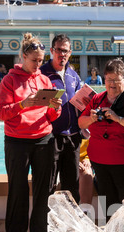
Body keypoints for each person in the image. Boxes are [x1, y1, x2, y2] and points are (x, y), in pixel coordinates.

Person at [0, 33, 62, 232]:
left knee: (45, 188)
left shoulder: (44, 80)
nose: (38, 64)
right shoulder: (9, 80)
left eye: (41, 60)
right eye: (34, 60)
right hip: (16, 141)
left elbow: (52, 116)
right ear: (24, 57)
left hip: (44, 139)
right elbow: (2, 113)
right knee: (18, 188)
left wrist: (55, 106)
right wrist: (23, 104)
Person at [78, 57, 124, 221]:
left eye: (116, 80)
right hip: (101, 163)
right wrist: (92, 119)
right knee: (109, 206)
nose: (112, 84)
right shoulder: (97, 99)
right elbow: (81, 122)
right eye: (109, 80)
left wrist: (118, 119)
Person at [40, 33, 82, 204]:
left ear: (70, 53)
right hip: (50, 138)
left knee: (72, 186)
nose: (62, 54)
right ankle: (44, 226)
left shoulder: (73, 76)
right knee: (48, 185)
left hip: (73, 137)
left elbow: (80, 104)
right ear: (52, 51)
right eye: (59, 50)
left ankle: (72, 227)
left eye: (65, 51)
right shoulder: (42, 74)